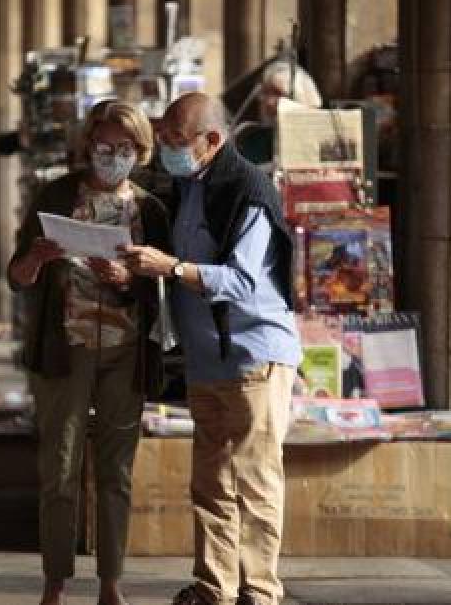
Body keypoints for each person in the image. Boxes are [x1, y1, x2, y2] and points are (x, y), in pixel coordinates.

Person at [121, 93, 301, 605]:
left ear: (212, 141)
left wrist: (172, 268)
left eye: (177, 142)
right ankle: (214, 587)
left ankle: (260, 592)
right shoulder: (186, 185)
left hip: (255, 358)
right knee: (211, 484)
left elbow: (243, 280)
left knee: (256, 482)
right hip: (208, 361)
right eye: (165, 141)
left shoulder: (247, 190)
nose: (169, 151)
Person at [7, 101, 171, 605]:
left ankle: (111, 583)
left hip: (126, 352)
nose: (111, 157)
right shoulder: (55, 193)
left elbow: (164, 287)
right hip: (65, 347)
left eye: (123, 149)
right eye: (103, 147)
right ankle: (55, 581)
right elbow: (16, 278)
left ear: (140, 152)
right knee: (59, 466)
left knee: (115, 470)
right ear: (87, 145)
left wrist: (128, 280)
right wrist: (35, 257)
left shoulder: (152, 209)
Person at [233, 59, 322, 168]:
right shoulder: (247, 138)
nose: (269, 102)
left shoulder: (318, 139)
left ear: (301, 100)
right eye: (265, 93)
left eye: (278, 93)